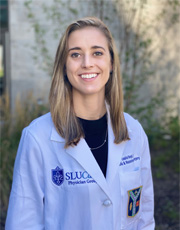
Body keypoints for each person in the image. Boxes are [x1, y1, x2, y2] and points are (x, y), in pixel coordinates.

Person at [5, 17, 155, 230]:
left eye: (97, 53)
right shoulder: (37, 137)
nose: (87, 63)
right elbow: (23, 224)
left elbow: (144, 218)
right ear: (64, 66)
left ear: (111, 63)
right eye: (75, 54)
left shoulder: (134, 131)